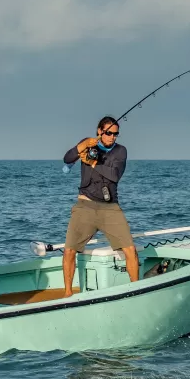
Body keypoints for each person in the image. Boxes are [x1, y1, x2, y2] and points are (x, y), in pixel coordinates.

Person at [61, 116, 138, 297]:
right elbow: (67, 158)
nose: (112, 137)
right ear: (99, 131)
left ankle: (136, 289)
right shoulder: (88, 144)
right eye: (109, 133)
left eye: (115, 134)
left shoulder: (120, 151)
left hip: (110, 207)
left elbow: (115, 175)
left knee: (130, 249)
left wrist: (93, 163)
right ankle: (67, 294)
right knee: (69, 250)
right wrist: (83, 146)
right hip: (85, 205)